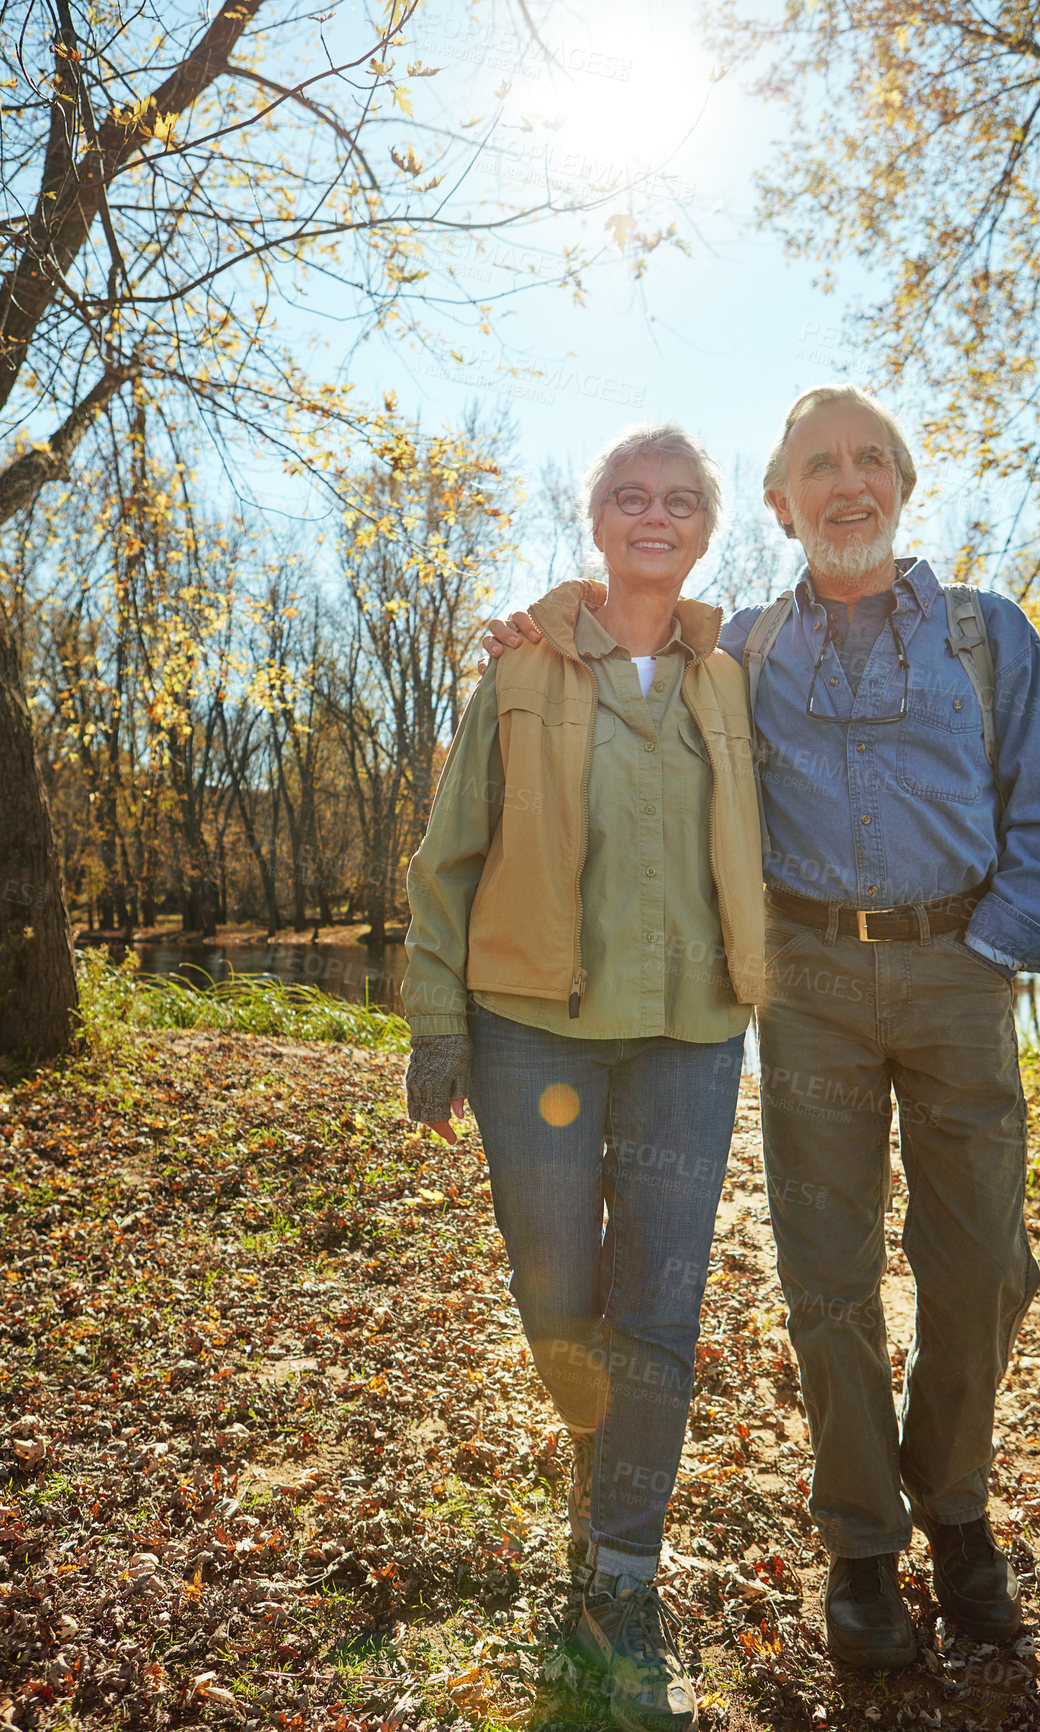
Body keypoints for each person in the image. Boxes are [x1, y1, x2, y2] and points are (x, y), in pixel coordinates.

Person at [482, 384, 1040, 1669]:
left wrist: (989, 951)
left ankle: (958, 1509)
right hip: (810, 989)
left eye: (869, 459)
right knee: (827, 1281)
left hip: (958, 978)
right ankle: (862, 1545)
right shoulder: (745, 649)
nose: (847, 482)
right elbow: (622, 636)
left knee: (982, 1268)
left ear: (901, 485)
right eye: (817, 464)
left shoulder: (986, 637)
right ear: (778, 502)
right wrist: (531, 635)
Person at [402, 423, 766, 1732]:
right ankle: (591, 1449)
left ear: (704, 526)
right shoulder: (518, 669)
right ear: (595, 516)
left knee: (657, 1304)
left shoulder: (736, 678)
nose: (652, 515)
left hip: (689, 1034)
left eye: (678, 498)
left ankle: (622, 1563)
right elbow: (447, 862)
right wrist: (433, 1021)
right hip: (530, 1034)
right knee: (558, 1298)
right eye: (628, 495)